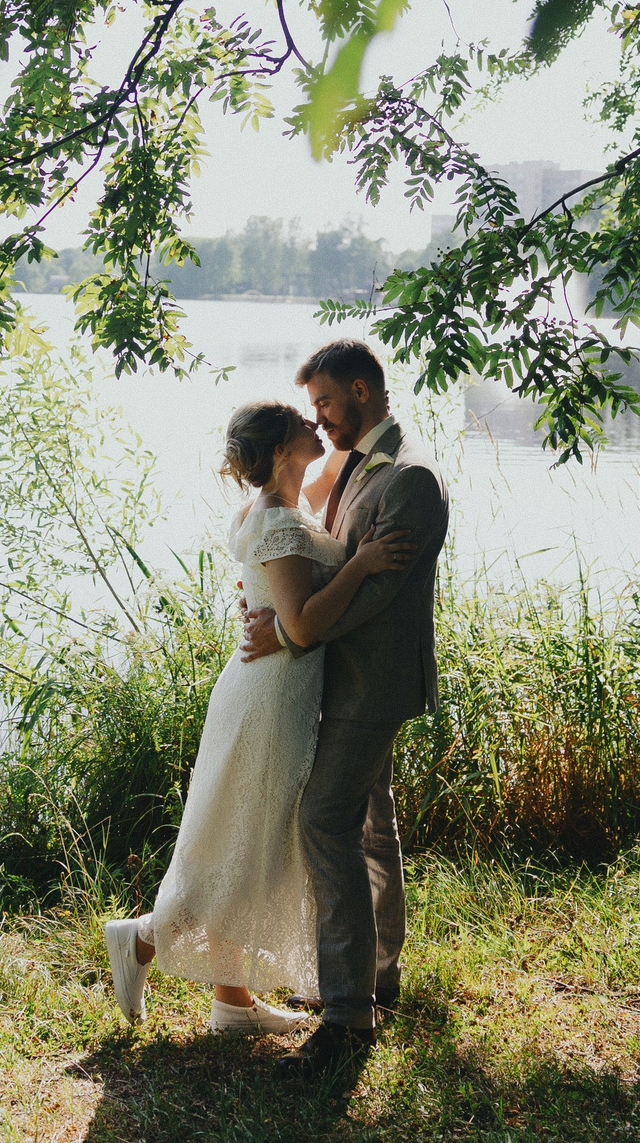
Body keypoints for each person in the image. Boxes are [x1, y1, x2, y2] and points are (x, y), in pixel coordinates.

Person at [103, 399, 414, 1034]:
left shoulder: (273, 510)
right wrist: (361, 563)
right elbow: (301, 623)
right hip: (270, 699)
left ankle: (232, 1003)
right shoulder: (278, 522)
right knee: (240, 844)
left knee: (249, 839)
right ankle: (139, 939)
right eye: (304, 423)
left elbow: (284, 592)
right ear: (279, 451)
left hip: (265, 691)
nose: (314, 424)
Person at [241, 338, 449, 1078]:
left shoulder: (412, 480)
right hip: (351, 676)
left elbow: (375, 594)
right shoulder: (360, 463)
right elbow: (329, 556)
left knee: (322, 819)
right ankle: (378, 973)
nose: (319, 417)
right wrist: (279, 610)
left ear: (361, 391)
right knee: (369, 818)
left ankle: (345, 1019)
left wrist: (293, 632)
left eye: (325, 401)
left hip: (371, 683)